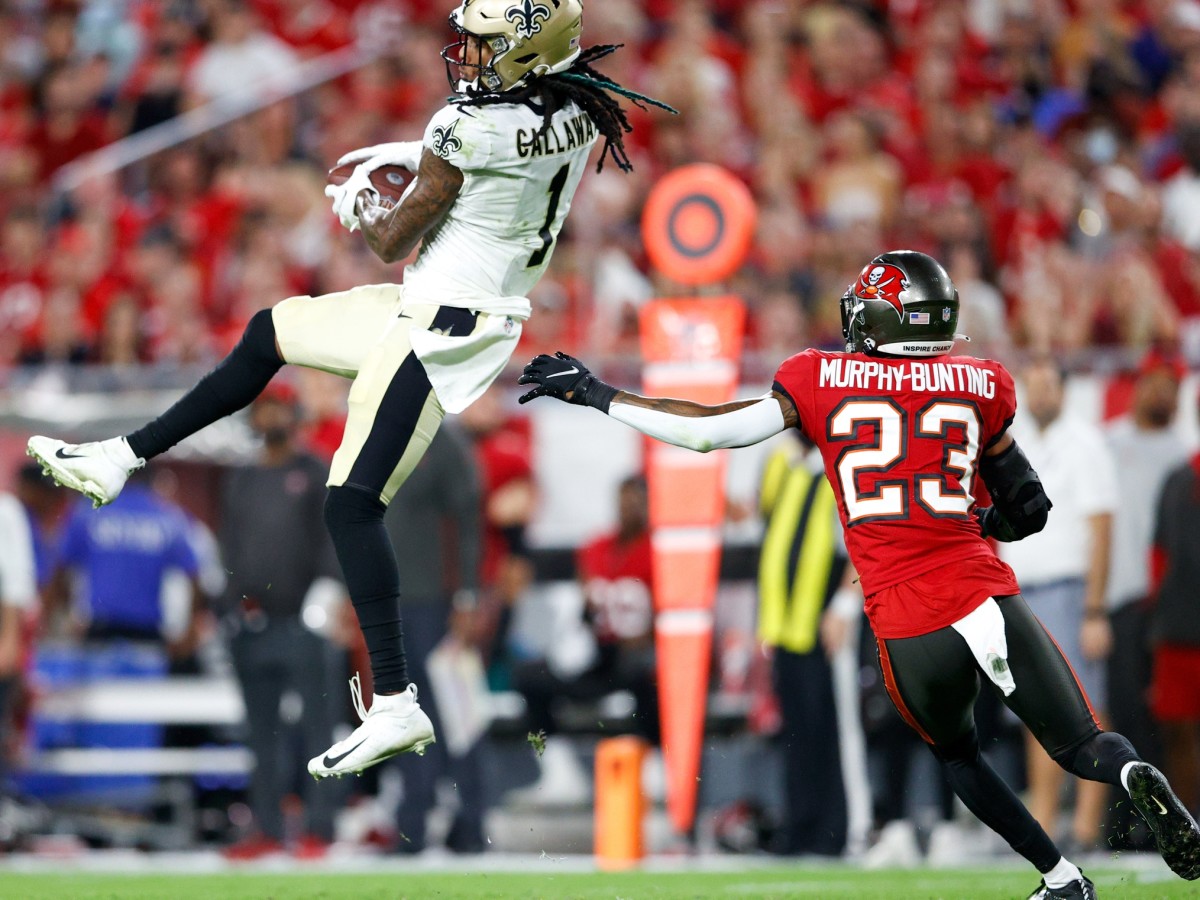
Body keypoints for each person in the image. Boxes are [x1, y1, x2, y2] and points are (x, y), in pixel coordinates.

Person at [25, 0, 674, 781]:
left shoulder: (467, 127)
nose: (464, 50)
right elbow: (490, 152)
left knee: (350, 502)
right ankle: (120, 457)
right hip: (463, 303)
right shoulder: (575, 106)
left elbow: (394, 239)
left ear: (527, 51)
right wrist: (410, 155)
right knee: (272, 331)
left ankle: (396, 701)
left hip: (441, 324)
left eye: (485, 40)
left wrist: (371, 204)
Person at [518, 250, 1200, 898]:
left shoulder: (820, 377)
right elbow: (1031, 508)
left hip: (906, 614)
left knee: (959, 754)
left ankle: (1059, 877)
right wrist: (979, 524)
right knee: (1081, 742)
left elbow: (709, 433)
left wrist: (597, 392)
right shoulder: (981, 383)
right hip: (981, 589)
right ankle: (1130, 771)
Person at [216, 385, 347, 860]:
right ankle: (266, 829)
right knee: (261, 734)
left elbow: (333, 540)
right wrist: (227, 605)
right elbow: (230, 546)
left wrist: (325, 598)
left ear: (293, 415)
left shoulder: (314, 471)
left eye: (277, 408)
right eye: (262, 409)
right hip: (253, 624)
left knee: (318, 728)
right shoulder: (243, 478)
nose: (269, 417)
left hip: (305, 620)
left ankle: (321, 827)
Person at [999, 359, 1118, 852]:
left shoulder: (1085, 442)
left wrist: (1094, 608)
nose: (1041, 393)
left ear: (1066, 391)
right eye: (1035, 384)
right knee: (1034, 708)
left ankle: (1088, 826)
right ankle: (1046, 819)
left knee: (1085, 706)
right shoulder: (1018, 439)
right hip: (1023, 590)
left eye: (1049, 385)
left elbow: (1101, 529)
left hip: (1068, 590)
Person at [511, 475, 656, 803]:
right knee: (530, 678)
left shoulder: (658, 550)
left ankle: (656, 765)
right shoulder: (596, 548)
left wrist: (643, 637)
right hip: (597, 654)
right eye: (624, 500)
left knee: (647, 672)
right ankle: (556, 768)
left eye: (637, 501)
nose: (629, 508)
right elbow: (584, 605)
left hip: (637, 657)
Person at [381, 420, 488, 854]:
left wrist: (466, 596)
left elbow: (467, 517)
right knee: (401, 716)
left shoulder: (439, 440)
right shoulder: (375, 433)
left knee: (457, 714)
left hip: (437, 602)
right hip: (391, 601)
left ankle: (470, 823)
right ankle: (413, 824)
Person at [1105, 350, 1190, 846]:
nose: (1164, 393)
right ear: (1138, 385)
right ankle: (1124, 822)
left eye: (1172, 385)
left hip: (1165, 603)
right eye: (1157, 382)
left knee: (1163, 716)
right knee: (1120, 711)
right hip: (1119, 596)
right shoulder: (1110, 442)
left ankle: (1163, 823)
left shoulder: (1183, 454)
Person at [1149, 412, 1200, 818]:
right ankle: (1191, 824)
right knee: (1178, 732)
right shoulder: (1177, 479)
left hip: (1180, 624)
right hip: (1180, 626)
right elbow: (1159, 555)